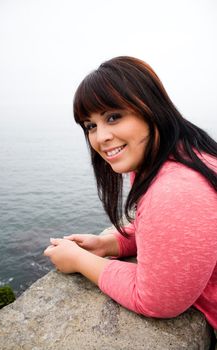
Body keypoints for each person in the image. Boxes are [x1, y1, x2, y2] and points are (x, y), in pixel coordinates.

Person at [44, 56, 217, 331]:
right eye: (91, 126)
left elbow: (159, 301)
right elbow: (176, 233)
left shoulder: (177, 189)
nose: (100, 138)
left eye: (113, 117)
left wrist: (79, 260)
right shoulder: (184, 154)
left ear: (151, 108)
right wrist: (110, 244)